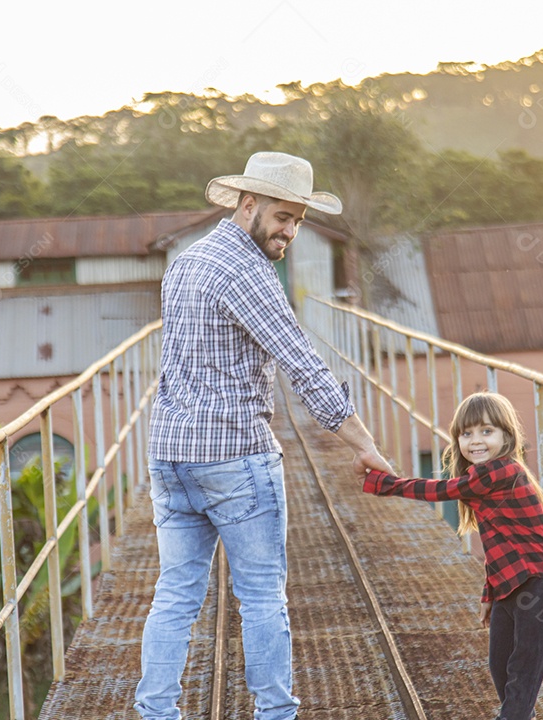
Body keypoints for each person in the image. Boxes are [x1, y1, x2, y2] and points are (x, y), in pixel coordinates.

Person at [136, 151, 392, 720]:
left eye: (299, 220)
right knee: (261, 599)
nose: (290, 232)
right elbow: (302, 363)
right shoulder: (247, 272)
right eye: (282, 217)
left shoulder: (188, 260)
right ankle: (276, 714)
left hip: (171, 455)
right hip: (233, 457)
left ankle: (156, 713)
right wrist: (364, 445)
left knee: (175, 597)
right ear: (247, 204)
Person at [361, 391, 543, 720]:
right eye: (466, 433)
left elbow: (441, 490)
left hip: (537, 587)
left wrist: (384, 483)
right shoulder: (484, 480)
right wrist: (489, 592)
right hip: (507, 586)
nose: (475, 441)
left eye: (487, 431)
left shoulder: (499, 472)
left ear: (507, 436)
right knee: (500, 668)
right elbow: (499, 545)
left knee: (521, 680)